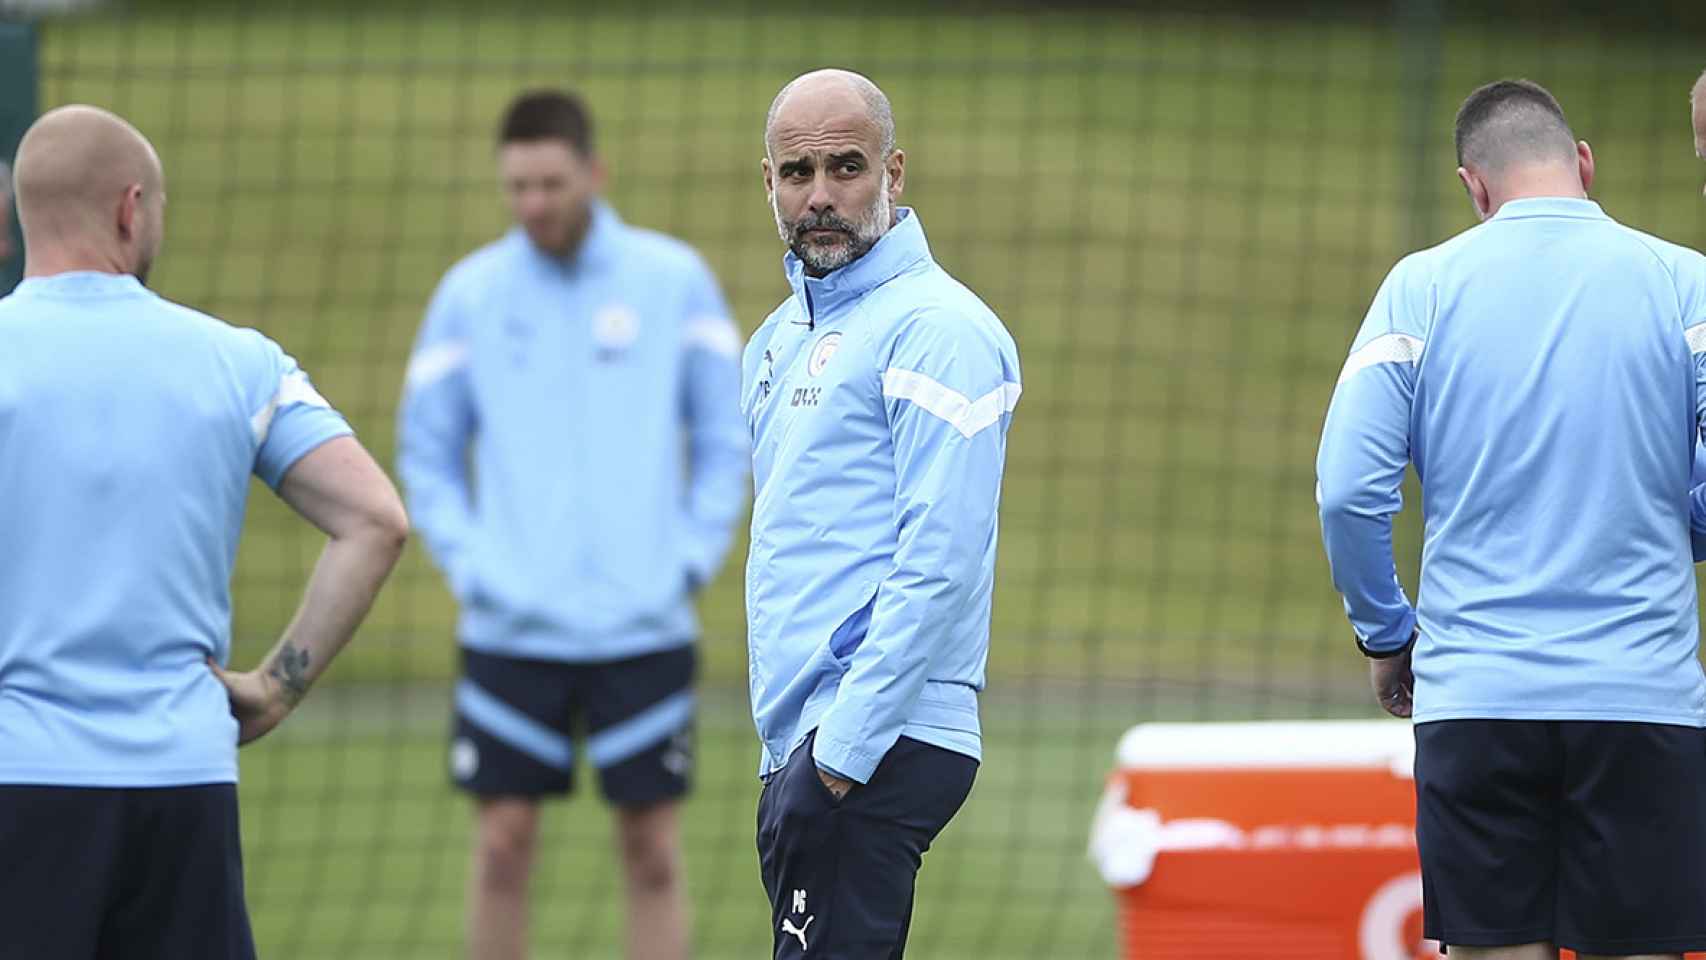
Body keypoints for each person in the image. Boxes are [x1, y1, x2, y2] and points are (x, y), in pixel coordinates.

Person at [0, 105, 408, 960]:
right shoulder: (238, 361)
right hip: (182, 782)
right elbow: (374, 521)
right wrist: (273, 686)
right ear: (130, 208)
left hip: (18, 786)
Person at [1316, 79, 1706, 959]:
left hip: (1478, 697)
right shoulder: (1687, 284)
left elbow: (1347, 489)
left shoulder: (1421, 289)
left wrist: (1386, 635)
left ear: (1475, 188)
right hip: (1643, 696)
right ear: (1584, 164)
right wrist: (1671, 526)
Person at [397, 89, 747, 960]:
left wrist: (690, 558)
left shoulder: (674, 282)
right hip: (511, 629)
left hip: (645, 625)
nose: (533, 205)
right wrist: (475, 568)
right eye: (516, 187)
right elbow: (426, 451)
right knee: (503, 846)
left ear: (594, 171)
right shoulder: (469, 295)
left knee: (654, 851)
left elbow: (726, 429)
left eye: (550, 183)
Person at [744, 69, 1022, 959]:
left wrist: (837, 755)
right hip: (809, 744)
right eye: (797, 173)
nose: (819, 196)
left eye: (847, 166)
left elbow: (940, 556)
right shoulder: (777, 339)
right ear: (770, 183)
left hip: (874, 736)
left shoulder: (941, 327)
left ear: (894, 174)